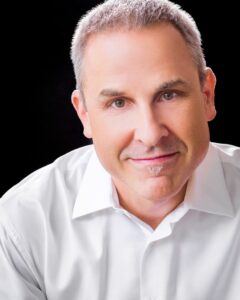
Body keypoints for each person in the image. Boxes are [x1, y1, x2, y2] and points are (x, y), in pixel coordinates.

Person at [0, 0, 239, 299]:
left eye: (169, 94)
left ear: (207, 96)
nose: (150, 134)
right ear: (84, 114)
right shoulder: (23, 222)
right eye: (119, 103)